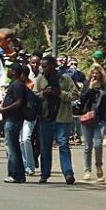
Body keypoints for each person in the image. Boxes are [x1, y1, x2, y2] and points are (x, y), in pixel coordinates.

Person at [34, 56, 78, 184]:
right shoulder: (40, 80)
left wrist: (60, 93)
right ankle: (45, 174)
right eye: (42, 65)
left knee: (63, 145)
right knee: (45, 147)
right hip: (46, 117)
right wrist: (44, 94)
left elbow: (75, 95)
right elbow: (35, 95)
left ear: (53, 66)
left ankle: (68, 173)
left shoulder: (65, 79)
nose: (43, 68)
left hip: (62, 117)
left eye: (46, 65)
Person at [79, 65, 106, 180]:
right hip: (87, 118)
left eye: (97, 73)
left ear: (101, 74)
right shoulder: (87, 84)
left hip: (100, 119)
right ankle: (87, 170)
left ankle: (99, 166)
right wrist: (90, 88)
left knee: (98, 144)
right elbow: (82, 99)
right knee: (87, 146)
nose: (95, 75)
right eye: (93, 73)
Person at [0, 63, 26, 183]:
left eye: (9, 70)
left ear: (13, 71)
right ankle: (18, 174)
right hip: (10, 119)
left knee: (11, 147)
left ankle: (14, 174)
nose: (7, 72)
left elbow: (18, 102)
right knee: (14, 146)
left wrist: (4, 110)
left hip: (14, 119)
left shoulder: (18, 85)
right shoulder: (13, 84)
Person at [19, 65, 37, 175]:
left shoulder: (32, 84)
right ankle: (25, 166)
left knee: (26, 139)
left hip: (30, 116)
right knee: (21, 141)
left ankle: (31, 166)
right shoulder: (17, 85)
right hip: (19, 116)